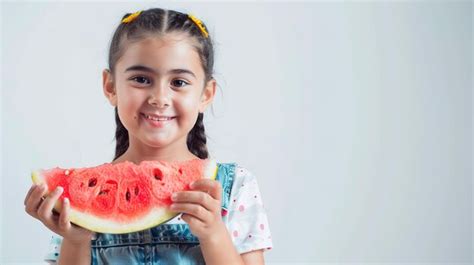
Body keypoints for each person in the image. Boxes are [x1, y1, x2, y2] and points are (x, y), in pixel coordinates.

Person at [23, 7, 273, 265]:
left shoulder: (236, 188)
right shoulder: (77, 198)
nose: (160, 98)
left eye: (179, 82)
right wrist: (76, 240)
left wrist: (213, 235)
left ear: (206, 94)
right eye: (141, 79)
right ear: (110, 87)